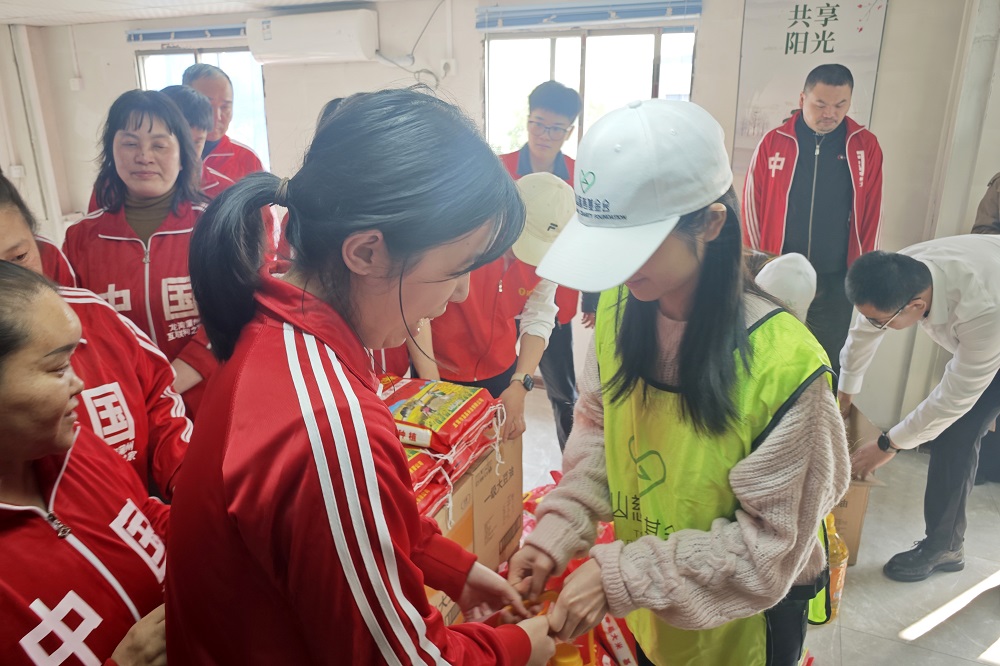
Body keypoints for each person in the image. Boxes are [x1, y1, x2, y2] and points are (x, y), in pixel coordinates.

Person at [165, 88, 555, 665]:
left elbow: (358, 524)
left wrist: (456, 569)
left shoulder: (279, 335)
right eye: (456, 270)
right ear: (367, 253)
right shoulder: (331, 426)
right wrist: (521, 647)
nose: (458, 295)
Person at [507, 99, 850, 666]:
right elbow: (600, 430)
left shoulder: (786, 365)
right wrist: (559, 531)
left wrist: (623, 575)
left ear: (711, 224)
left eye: (634, 246)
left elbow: (770, 549)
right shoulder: (621, 306)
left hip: (742, 630)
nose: (617, 269)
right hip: (655, 611)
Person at [0, 260, 169, 666]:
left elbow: (141, 513)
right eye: (58, 368)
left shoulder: (74, 445)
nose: (80, 383)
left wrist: (221, 529)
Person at [0, 173, 191, 497]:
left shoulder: (94, 316)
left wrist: (190, 490)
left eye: (19, 258)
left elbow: (158, 397)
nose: (13, 283)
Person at [840, 236, 1000, 582]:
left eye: (882, 321)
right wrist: (845, 396)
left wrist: (889, 444)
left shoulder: (983, 310)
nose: (875, 325)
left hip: (995, 320)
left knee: (955, 433)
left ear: (915, 306)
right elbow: (862, 333)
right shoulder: (899, 270)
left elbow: (954, 399)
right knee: (953, 430)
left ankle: (945, 546)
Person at [63, 89, 215, 412]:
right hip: (127, 408)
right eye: (130, 143)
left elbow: (234, 316)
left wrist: (165, 386)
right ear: (111, 151)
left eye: (159, 145)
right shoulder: (82, 238)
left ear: (183, 155)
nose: (144, 156)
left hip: (208, 403)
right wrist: (133, 393)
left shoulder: (213, 227)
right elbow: (72, 332)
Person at [742, 64, 884, 377]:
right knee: (770, 349)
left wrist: (865, 271)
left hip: (835, 278)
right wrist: (756, 265)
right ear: (803, 99)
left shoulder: (864, 146)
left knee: (827, 357)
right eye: (820, 104)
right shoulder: (774, 142)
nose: (830, 113)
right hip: (779, 271)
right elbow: (752, 205)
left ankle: (821, 407)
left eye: (840, 105)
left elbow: (873, 212)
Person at [411, 172, 571, 441]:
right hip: (438, 366)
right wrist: (431, 382)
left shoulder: (545, 260)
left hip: (500, 369)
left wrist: (521, 383)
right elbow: (419, 308)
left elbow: (539, 315)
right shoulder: (462, 234)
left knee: (494, 451)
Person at [499, 80, 592, 449]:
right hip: (501, 297)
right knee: (502, 378)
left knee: (562, 390)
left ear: (569, 131)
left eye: (555, 128)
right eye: (538, 124)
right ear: (527, 120)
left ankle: (570, 462)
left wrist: (593, 297)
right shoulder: (500, 170)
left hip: (553, 295)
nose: (544, 135)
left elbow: (590, 238)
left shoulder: (580, 177)